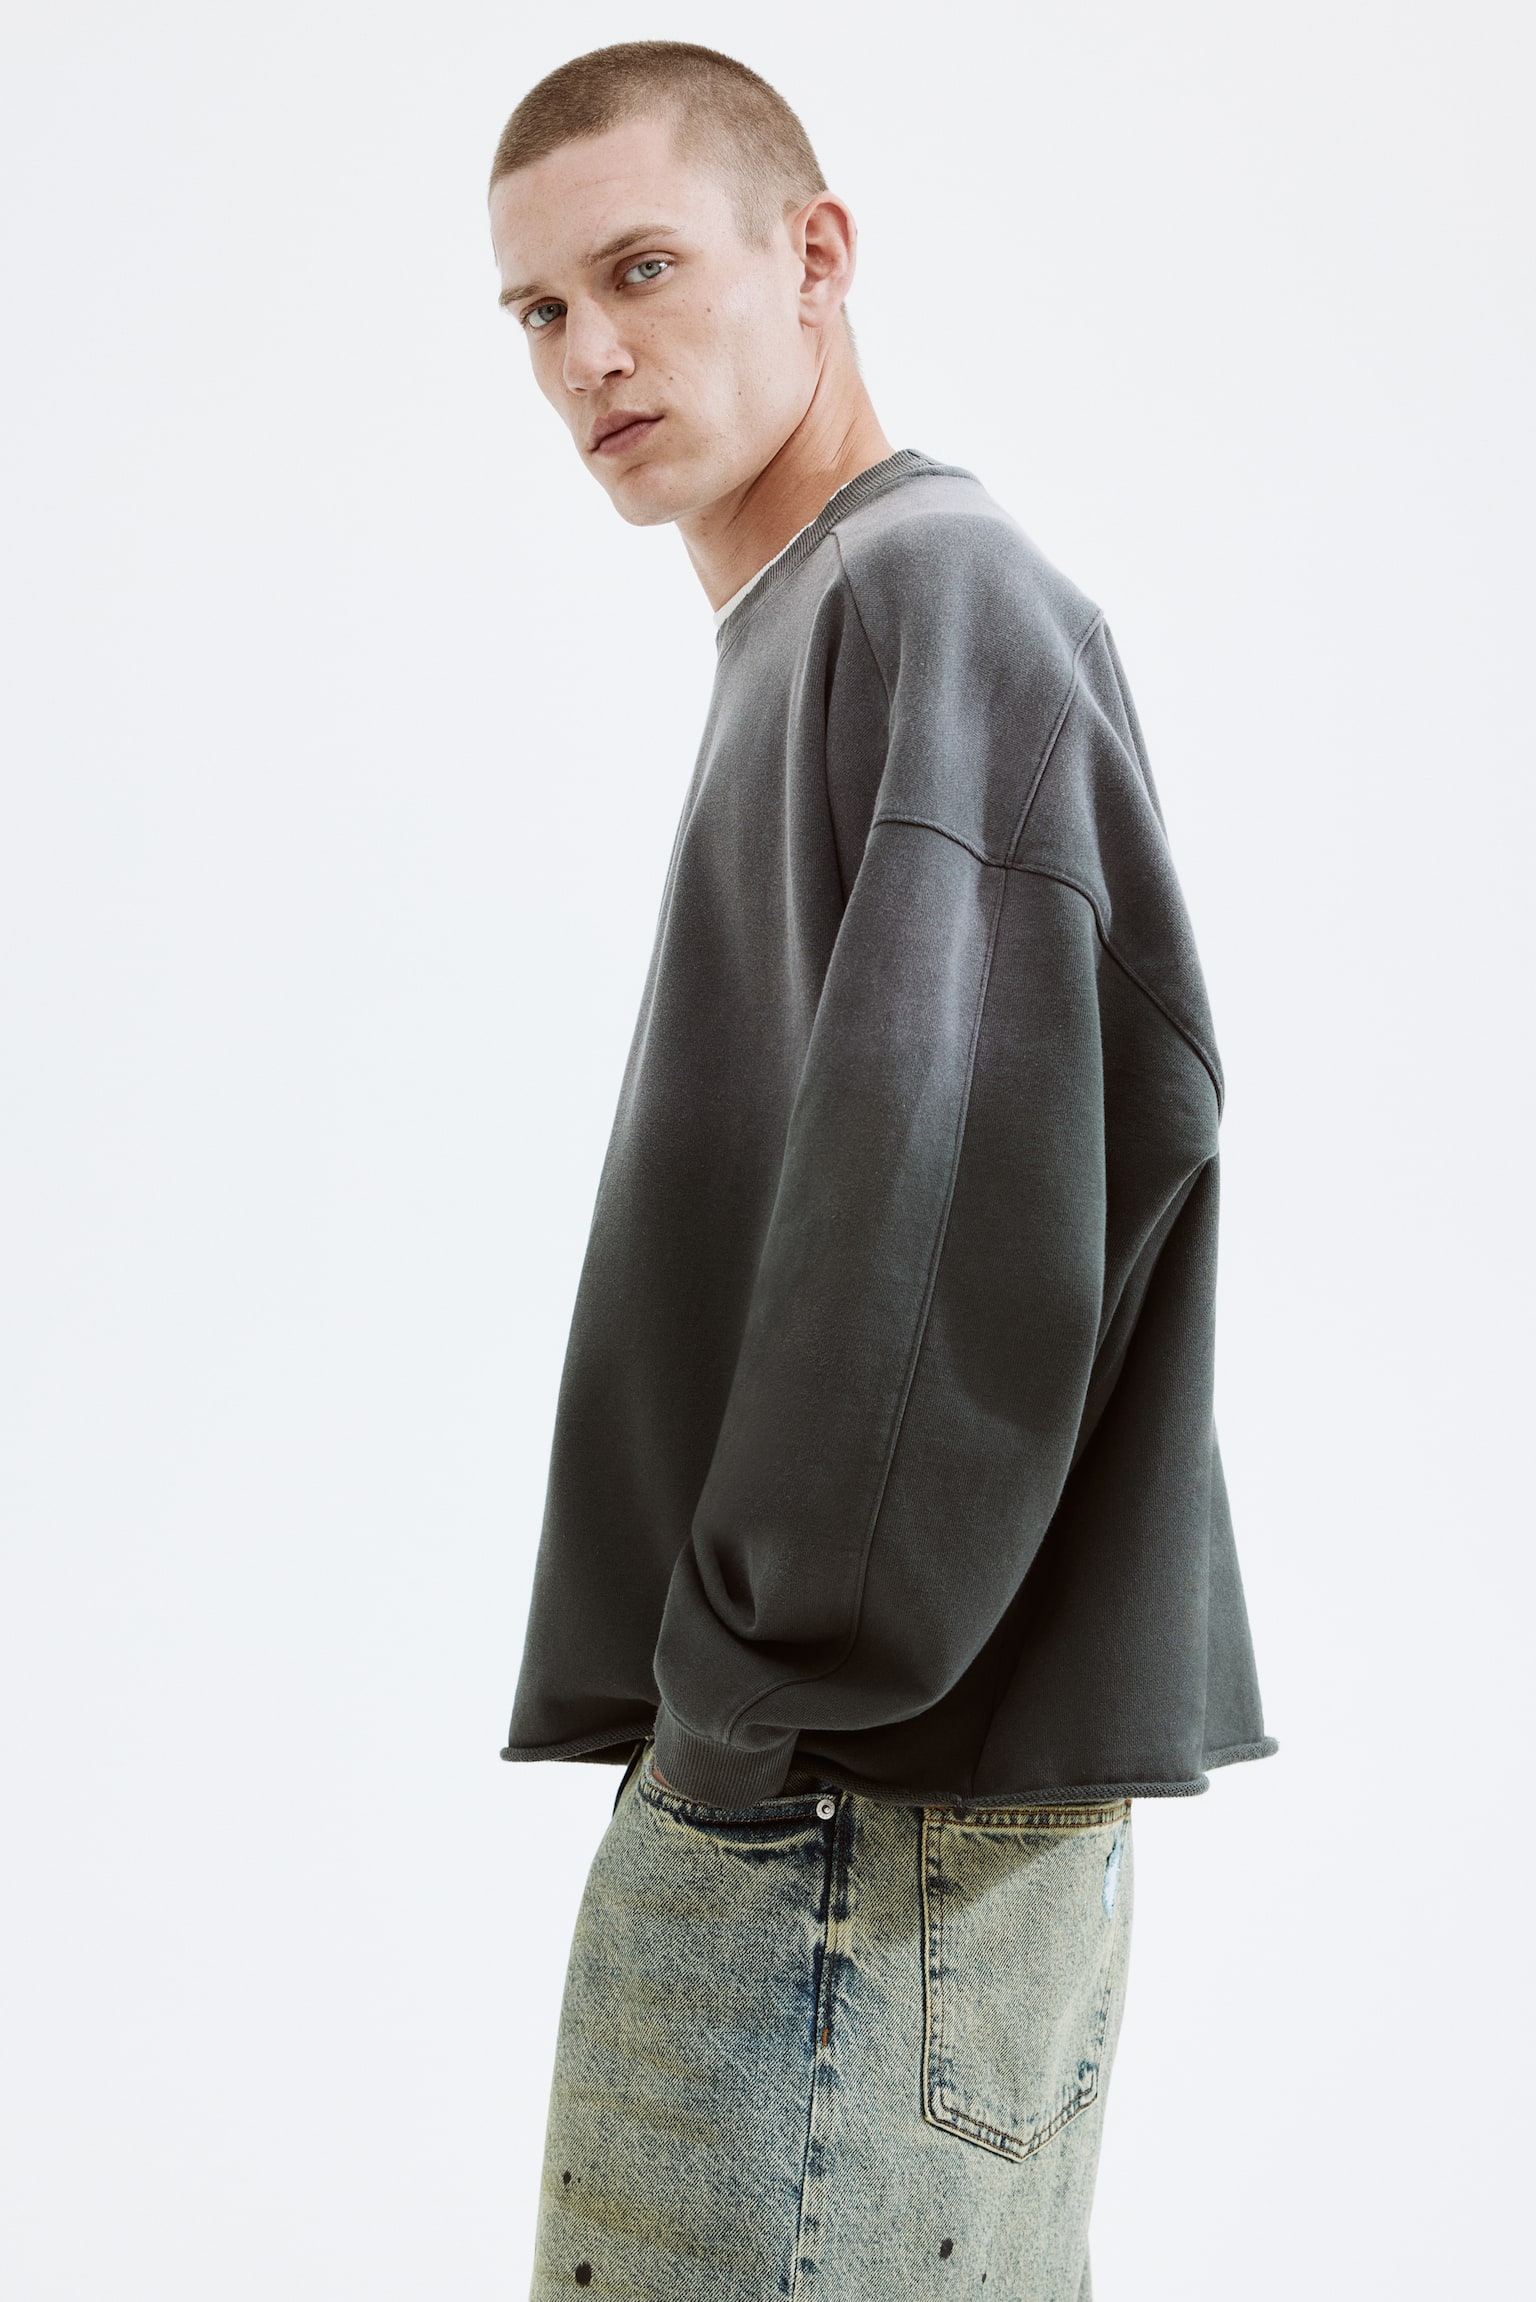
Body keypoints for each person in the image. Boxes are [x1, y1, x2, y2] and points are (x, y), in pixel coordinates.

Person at [486, 39, 1276, 2301]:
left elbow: (957, 1224)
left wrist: (750, 1706)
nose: (590, 352)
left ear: (815, 254)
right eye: (539, 310)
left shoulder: (932, 595)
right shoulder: (822, 619)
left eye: (643, 270)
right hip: (849, 1792)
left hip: (845, 1808)